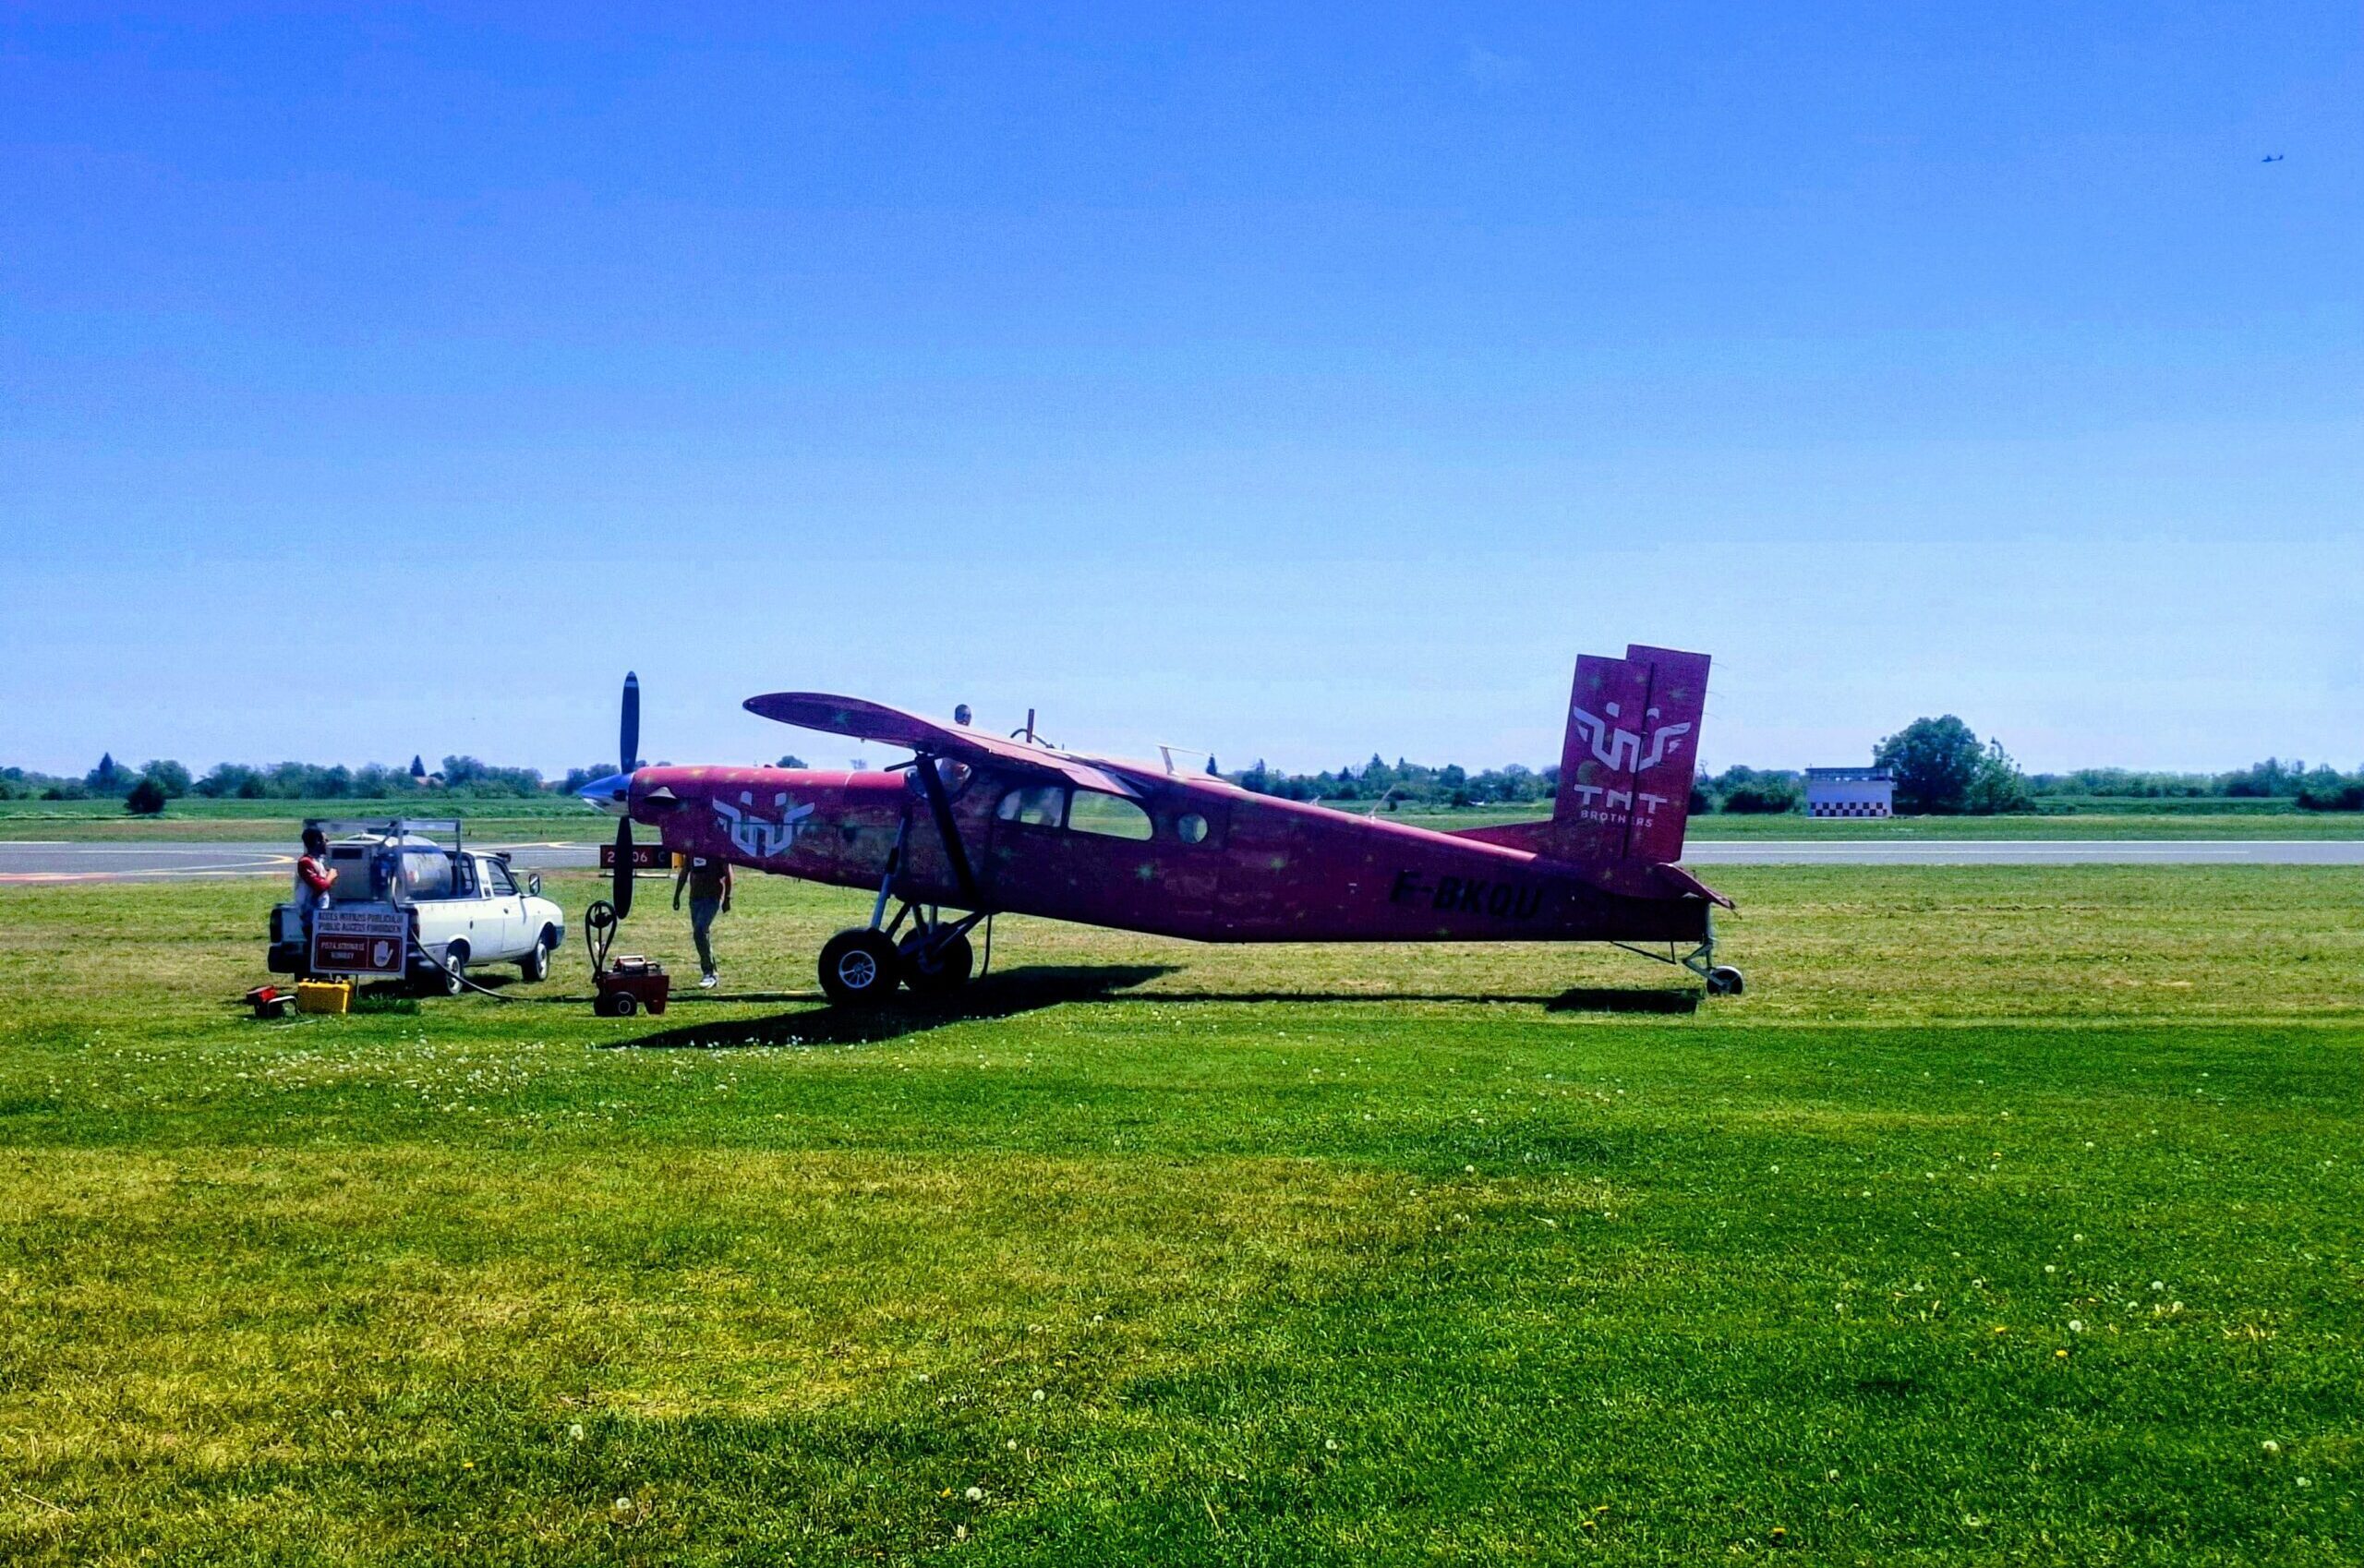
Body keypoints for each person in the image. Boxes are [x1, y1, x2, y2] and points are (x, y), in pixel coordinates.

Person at [674, 853, 732, 988]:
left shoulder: (717, 849)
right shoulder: (692, 850)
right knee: (701, 935)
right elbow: (685, 872)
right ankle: (712, 973)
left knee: (699, 931)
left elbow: (728, 873)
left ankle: (709, 972)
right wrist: (677, 895)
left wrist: (728, 898)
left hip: (712, 897)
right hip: (695, 898)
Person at [295, 826, 337, 971]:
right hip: (311, 916)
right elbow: (320, 886)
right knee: (315, 950)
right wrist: (331, 875)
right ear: (318, 841)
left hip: (321, 914)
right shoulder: (305, 862)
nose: (328, 842)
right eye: (325, 840)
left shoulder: (319, 861)